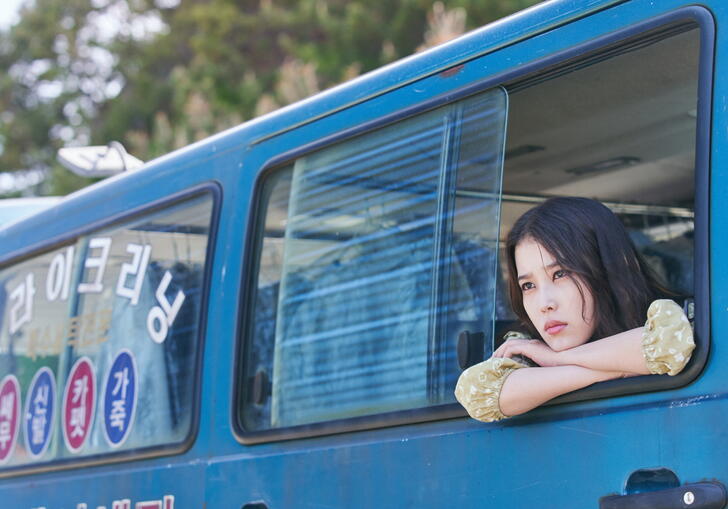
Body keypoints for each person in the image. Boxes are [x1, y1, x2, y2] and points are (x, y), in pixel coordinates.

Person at [454, 197, 695, 422]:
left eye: (560, 274)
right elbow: (477, 393)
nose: (544, 303)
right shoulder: (528, 348)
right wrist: (614, 370)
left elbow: (669, 345)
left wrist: (557, 359)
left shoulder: (673, 318)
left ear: (608, 267)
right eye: (528, 285)